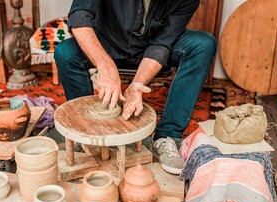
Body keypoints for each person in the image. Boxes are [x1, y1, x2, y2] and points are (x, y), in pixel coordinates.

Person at [54, 0, 217, 174]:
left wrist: (137, 85)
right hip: (108, 42)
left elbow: (162, 43)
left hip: (150, 49)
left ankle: (166, 135)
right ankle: (85, 134)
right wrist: (105, 65)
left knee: (203, 44)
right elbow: (79, 18)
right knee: (65, 53)